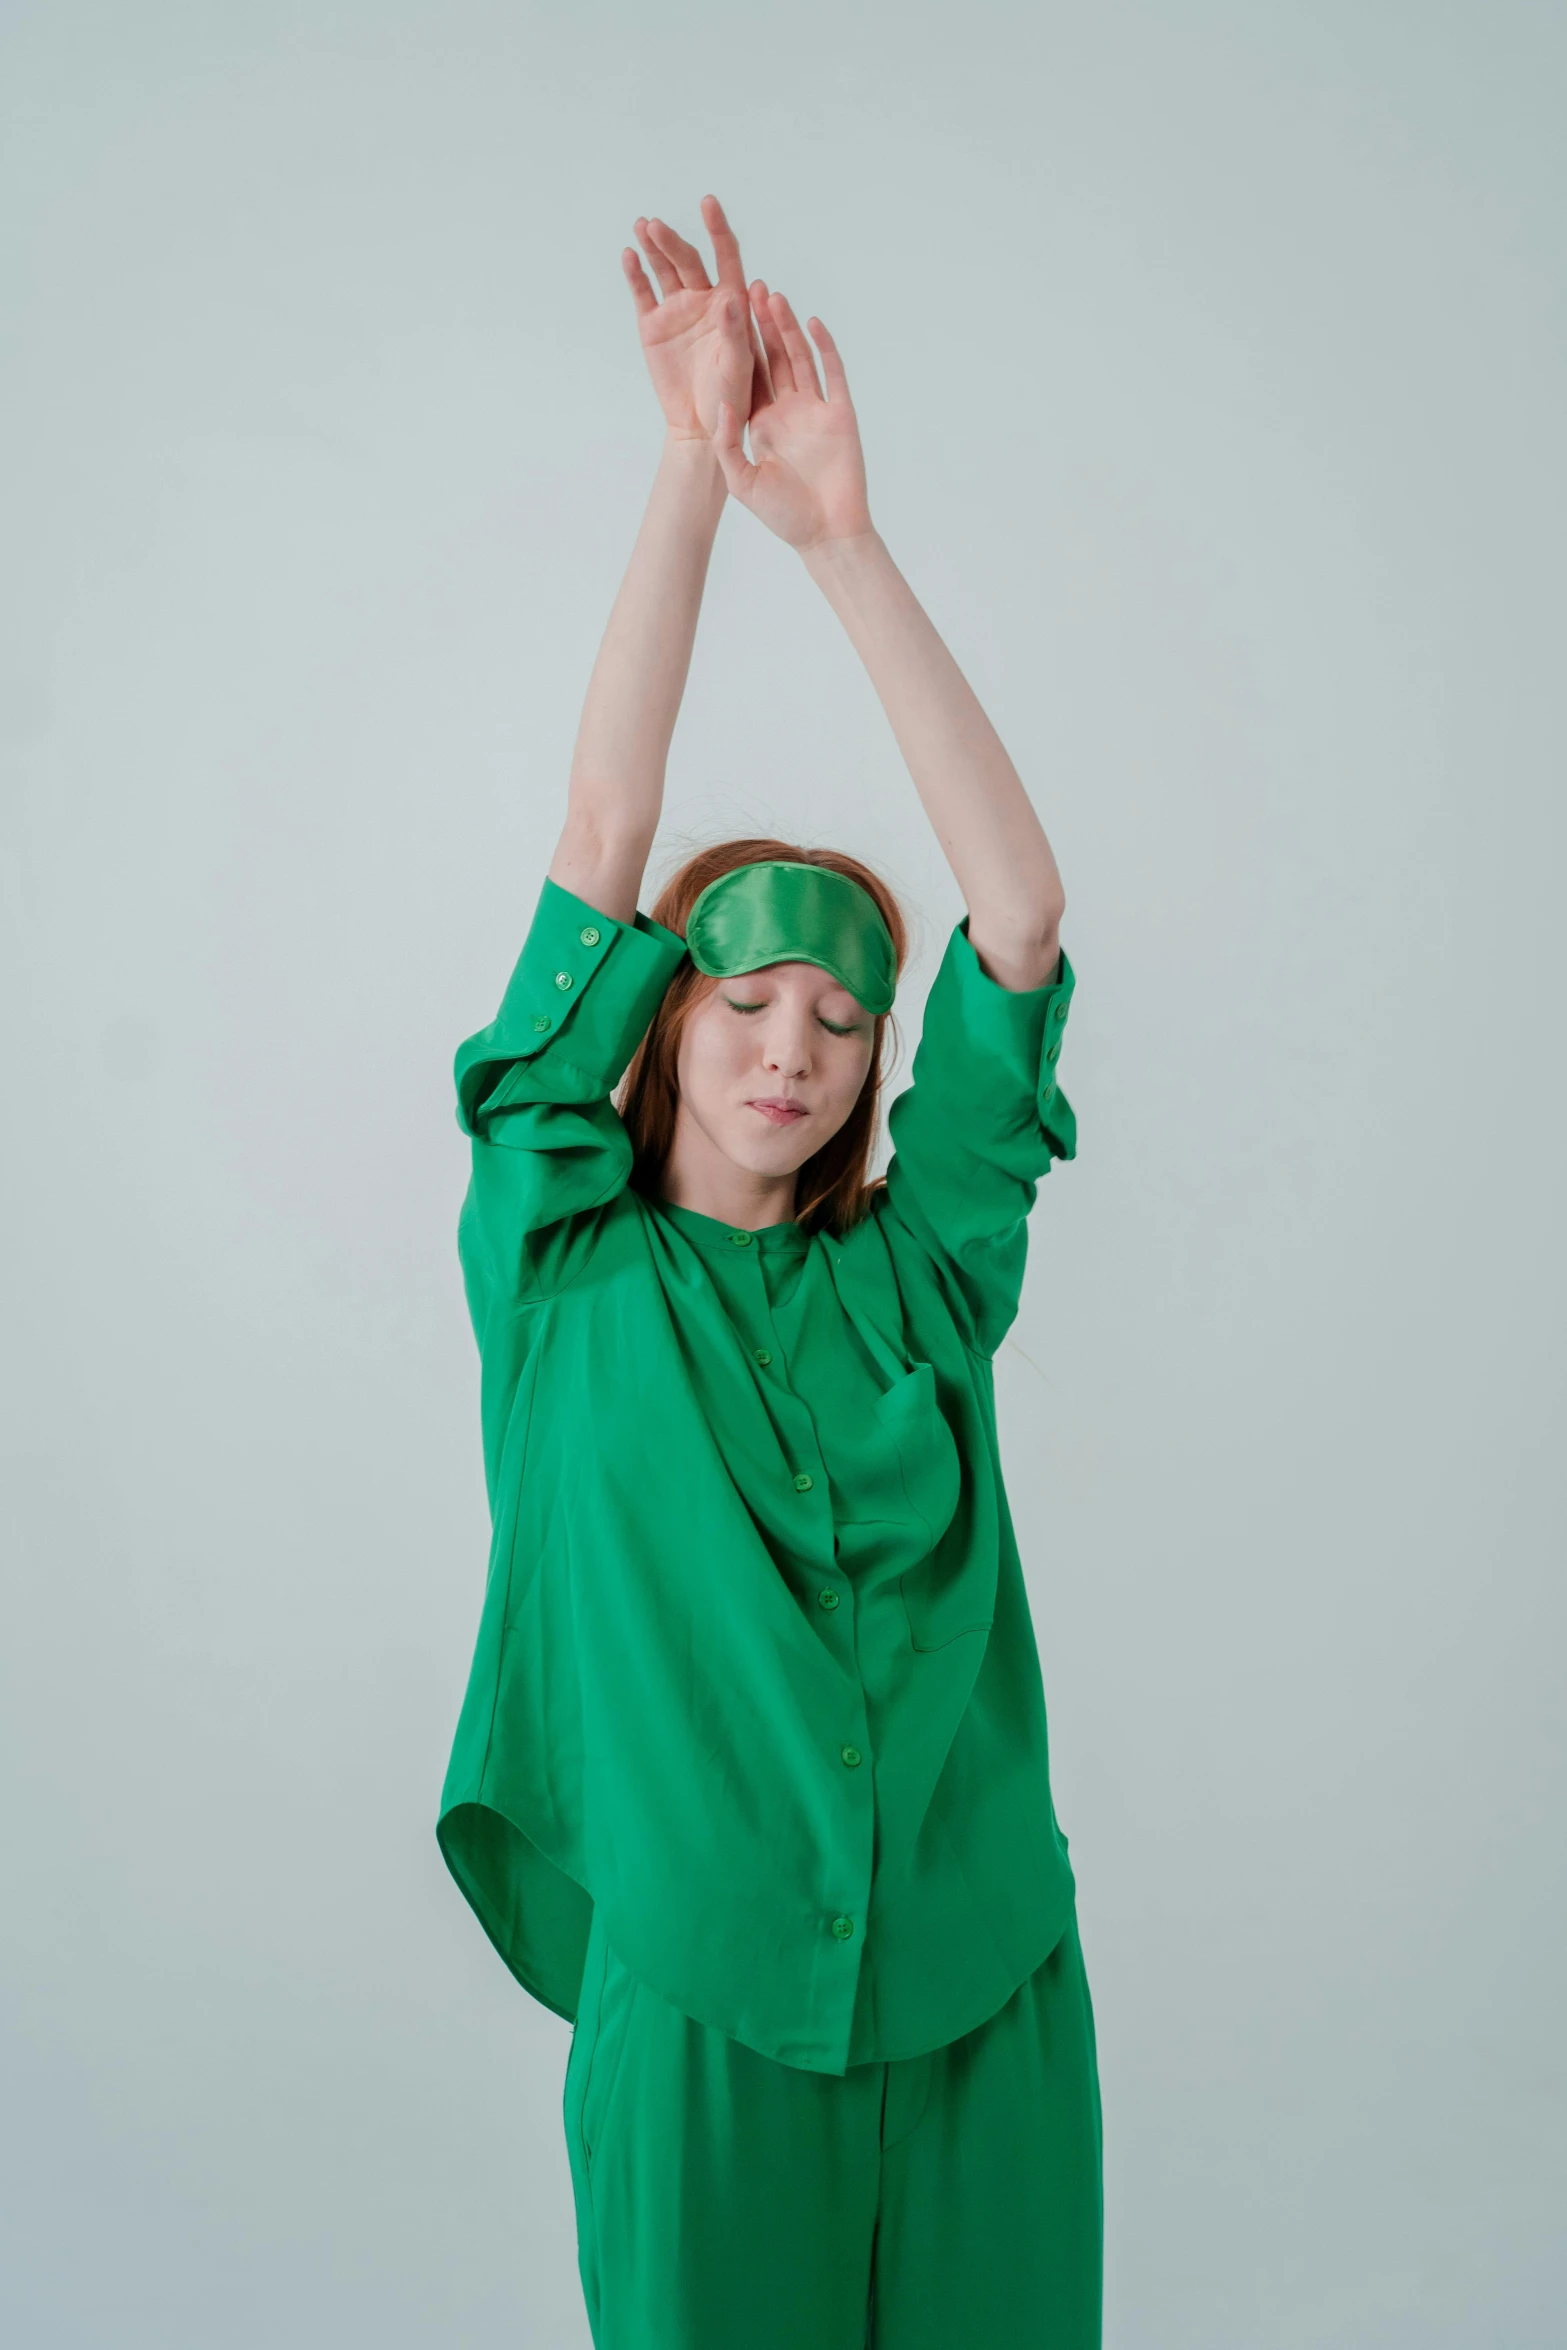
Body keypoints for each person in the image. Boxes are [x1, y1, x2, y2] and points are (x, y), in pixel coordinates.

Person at [437, 193, 1103, 2350]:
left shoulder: (924, 1284)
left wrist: (845, 540)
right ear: (658, 1027)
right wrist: (691, 486)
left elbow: (1016, 918)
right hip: (710, 1999)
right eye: (745, 1003)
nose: (796, 1048)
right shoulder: (562, 1273)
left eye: (839, 1021)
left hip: (982, 1981)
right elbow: (601, 825)